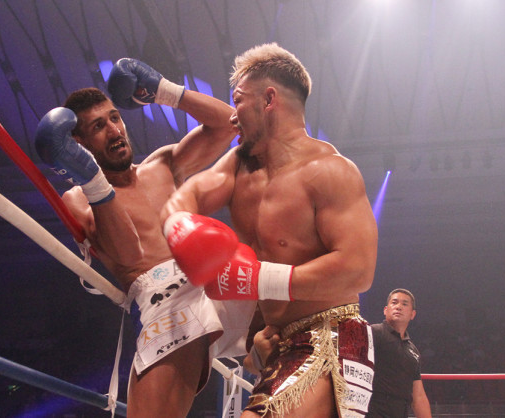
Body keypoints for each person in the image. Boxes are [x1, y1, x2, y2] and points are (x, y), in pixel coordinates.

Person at [161, 43, 379, 417]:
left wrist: (256, 279)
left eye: (238, 100)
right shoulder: (239, 165)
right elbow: (187, 195)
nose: (233, 117)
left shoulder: (330, 171)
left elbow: (358, 270)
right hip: (278, 343)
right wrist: (180, 227)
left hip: (331, 334)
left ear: (269, 99)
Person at [34, 58, 256, 417]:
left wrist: (163, 91)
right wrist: (93, 180)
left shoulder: (163, 164)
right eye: (98, 126)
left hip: (214, 270)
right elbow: (127, 253)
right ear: (78, 143)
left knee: (290, 308)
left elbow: (228, 124)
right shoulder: (78, 198)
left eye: (114, 118)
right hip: (164, 297)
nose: (114, 130)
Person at [367, 289, 432, 418]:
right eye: (394, 302)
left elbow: (418, 396)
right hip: (371, 411)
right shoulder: (372, 332)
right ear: (386, 310)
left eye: (404, 304)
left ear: (412, 314)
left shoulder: (413, 351)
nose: (398, 307)